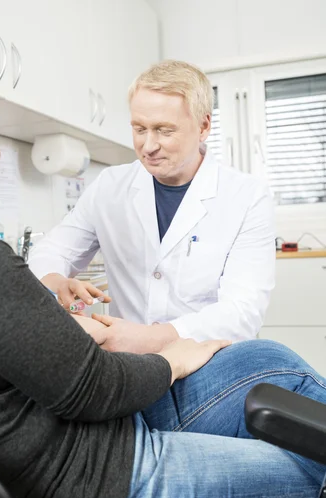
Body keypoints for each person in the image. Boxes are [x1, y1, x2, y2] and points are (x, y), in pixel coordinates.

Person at [0, 28, 325, 498]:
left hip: (97, 456)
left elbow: (42, 369)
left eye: (163, 129)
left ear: (204, 128)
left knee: (267, 360)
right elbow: (90, 387)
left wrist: (119, 338)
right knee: (314, 469)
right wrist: (170, 358)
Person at [29, 59, 276, 353]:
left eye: (164, 130)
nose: (148, 146)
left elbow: (242, 312)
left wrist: (153, 338)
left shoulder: (247, 196)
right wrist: (57, 281)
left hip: (209, 360)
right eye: (139, 128)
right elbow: (52, 250)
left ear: (203, 126)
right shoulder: (110, 186)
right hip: (132, 368)